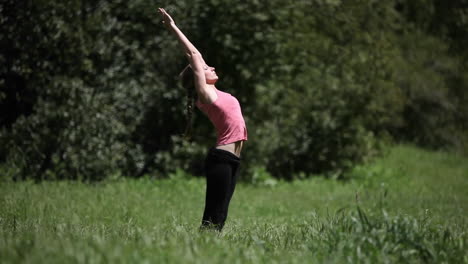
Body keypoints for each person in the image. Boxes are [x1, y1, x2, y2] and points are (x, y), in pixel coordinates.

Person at [158, 8, 248, 231]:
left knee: (222, 214)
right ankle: (199, 251)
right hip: (222, 160)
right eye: (206, 68)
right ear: (198, 78)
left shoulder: (216, 92)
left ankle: (209, 252)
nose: (212, 67)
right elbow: (195, 56)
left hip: (232, 161)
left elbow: (198, 59)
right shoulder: (206, 95)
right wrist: (173, 27)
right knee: (213, 215)